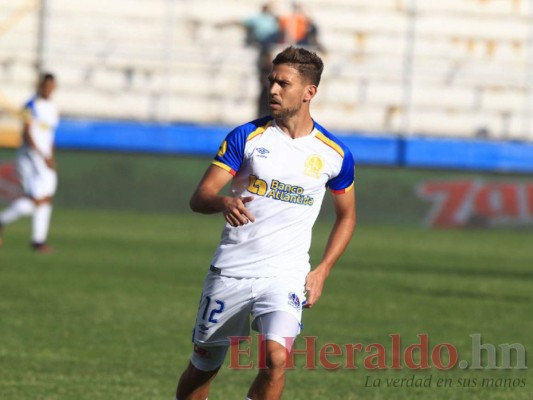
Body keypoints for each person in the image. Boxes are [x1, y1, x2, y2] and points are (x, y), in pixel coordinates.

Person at [175, 47, 356, 400]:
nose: (272, 89)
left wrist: (323, 270)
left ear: (309, 92)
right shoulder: (246, 137)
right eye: (271, 81)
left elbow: (347, 216)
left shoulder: (334, 154)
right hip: (232, 271)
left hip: (285, 274)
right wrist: (222, 201)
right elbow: (200, 197)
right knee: (204, 366)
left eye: (283, 83)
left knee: (276, 359)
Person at [0, 73, 59, 252]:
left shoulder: (52, 108)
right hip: (31, 157)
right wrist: (41, 155)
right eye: (47, 86)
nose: (50, 89)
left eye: (52, 86)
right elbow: (27, 133)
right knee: (38, 199)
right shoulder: (30, 105)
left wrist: (50, 154)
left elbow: (49, 135)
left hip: (44, 156)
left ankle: (38, 240)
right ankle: (36, 240)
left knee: (43, 199)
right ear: (40, 86)